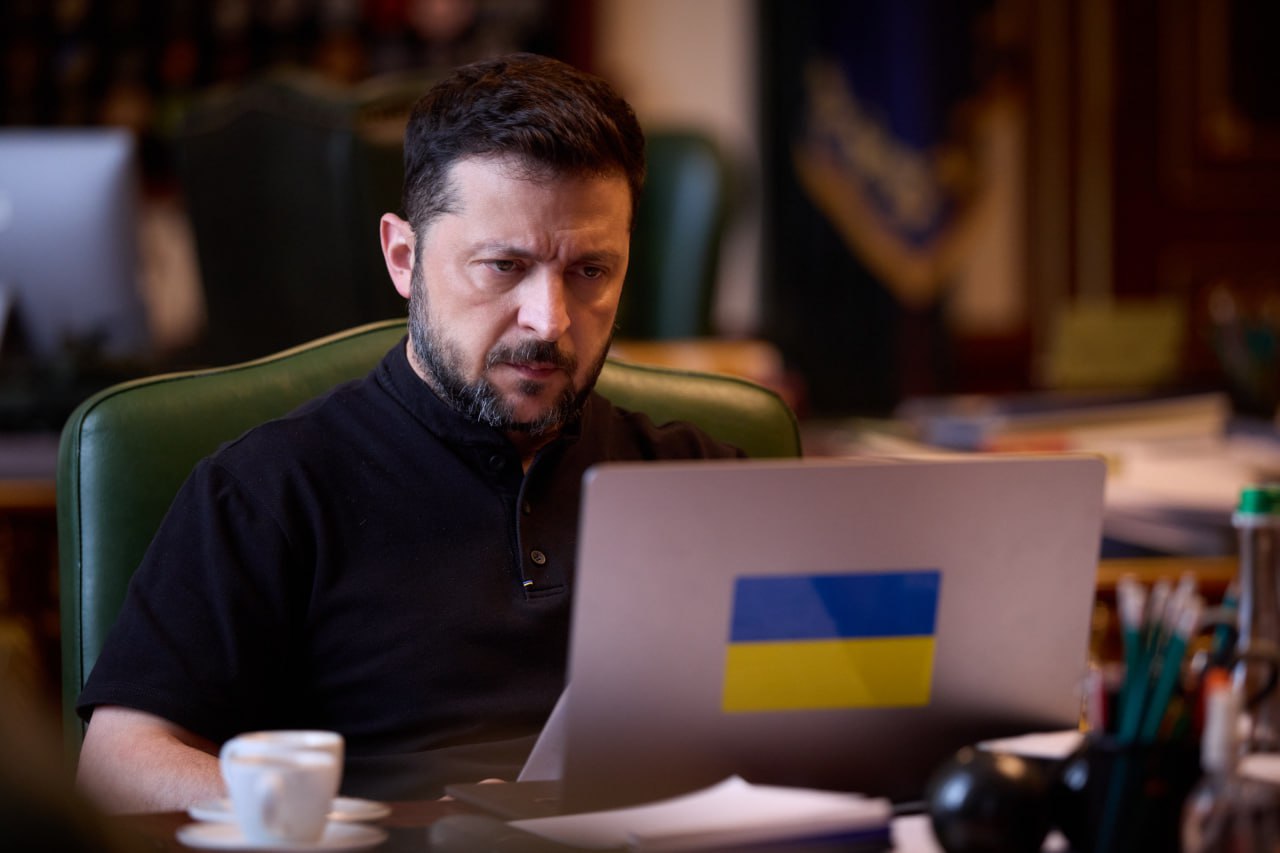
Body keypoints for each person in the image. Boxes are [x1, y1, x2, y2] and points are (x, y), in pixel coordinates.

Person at [75, 53, 744, 813]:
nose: (549, 321)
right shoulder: (269, 490)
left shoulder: (704, 480)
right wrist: (390, 825)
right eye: (503, 266)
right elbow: (119, 769)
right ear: (403, 257)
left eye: (590, 271)